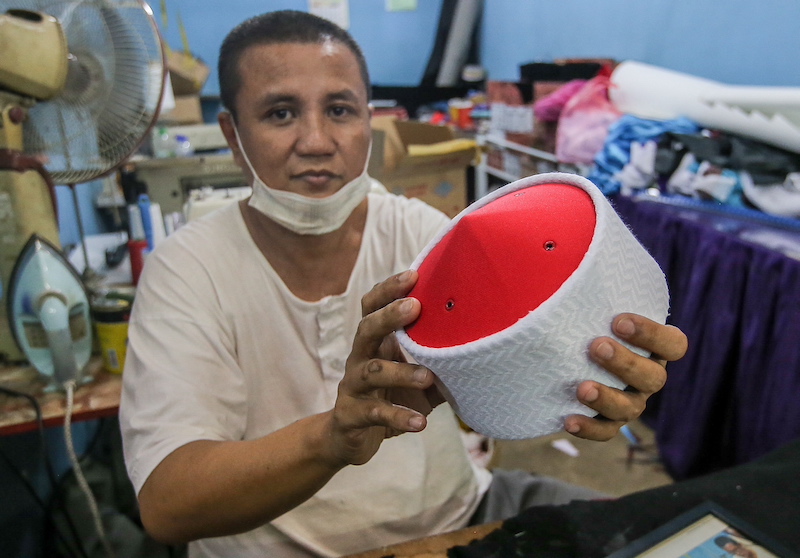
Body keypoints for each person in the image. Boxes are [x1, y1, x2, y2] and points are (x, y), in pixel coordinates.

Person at [119, 10, 688, 558]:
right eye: (280, 114)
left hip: (457, 519)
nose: (317, 141)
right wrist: (332, 438)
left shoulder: (423, 240)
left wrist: (596, 374)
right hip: (274, 548)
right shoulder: (185, 270)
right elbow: (170, 506)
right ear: (233, 132)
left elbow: (485, 400)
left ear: (371, 119)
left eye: (340, 110)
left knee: (676, 532)